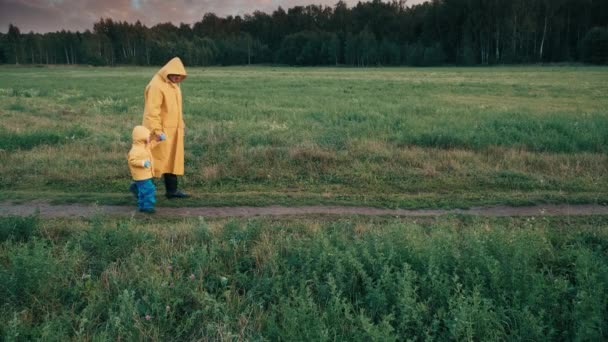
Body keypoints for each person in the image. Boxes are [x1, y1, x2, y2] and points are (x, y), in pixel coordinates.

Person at [142, 56, 189, 199]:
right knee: (154, 160)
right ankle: (140, 190)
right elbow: (152, 112)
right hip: (160, 131)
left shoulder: (173, 85)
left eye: (179, 75)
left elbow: (175, 109)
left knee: (172, 160)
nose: (177, 78)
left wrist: (181, 124)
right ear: (168, 71)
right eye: (174, 75)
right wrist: (156, 131)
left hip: (173, 130)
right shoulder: (157, 85)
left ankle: (172, 191)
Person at [128, 125, 156, 213]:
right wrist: (142, 163)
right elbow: (132, 161)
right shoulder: (135, 150)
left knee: (142, 191)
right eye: (147, 136)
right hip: (141, 176)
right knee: (149, 189)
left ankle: (142, 206)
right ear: (141, 137)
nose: (149, 137)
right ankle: (148, 207)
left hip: (145, 175)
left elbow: (151, 145)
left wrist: (158, 140)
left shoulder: (144, 146)